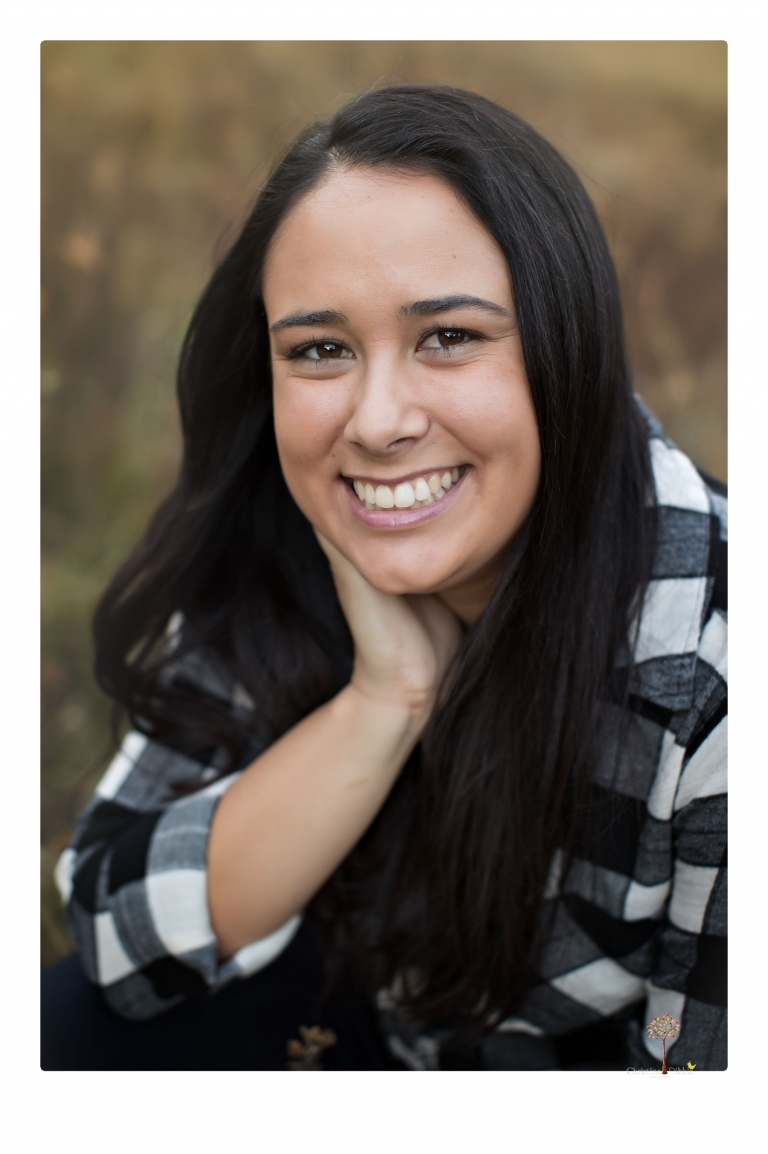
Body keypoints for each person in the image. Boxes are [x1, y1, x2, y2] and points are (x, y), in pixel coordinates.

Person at [41, 84, 727, 1071]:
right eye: (320, 349)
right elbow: (114, 942)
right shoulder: (285, 527)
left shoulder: (718, 677)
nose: (375, 422)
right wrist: (386, 697)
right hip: (361, 1022)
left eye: (449, 336)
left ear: (567, 345)